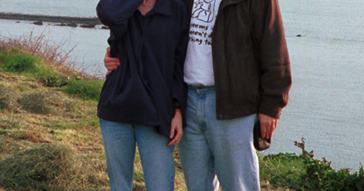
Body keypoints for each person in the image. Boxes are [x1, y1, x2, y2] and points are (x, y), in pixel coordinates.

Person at [103, 0, 292, 190]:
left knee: (238, 185)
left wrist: (272, 105)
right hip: (189, 101)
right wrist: (117, 53)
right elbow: (165, 41)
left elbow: (274, 47)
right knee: (197, 186)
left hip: (233, 104)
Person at [95, 0, 189, 190]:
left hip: (157, 112)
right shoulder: (122, 5)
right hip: (116, 109)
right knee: (119, 185)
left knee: (160, 185)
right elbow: (105, 12)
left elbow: (180, 63)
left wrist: (178, 109)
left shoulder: (175, 8)